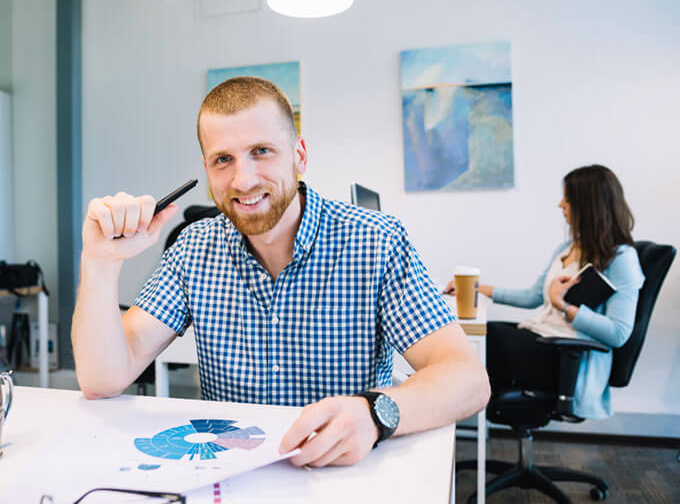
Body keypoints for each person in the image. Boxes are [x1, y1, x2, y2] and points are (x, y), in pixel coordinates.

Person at [72, 76, 490, 468]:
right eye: (223, 160)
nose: (243, 180)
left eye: (261, 151)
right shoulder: (193, 248)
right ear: (206, 168)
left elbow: (467, 378)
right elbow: (102, 379)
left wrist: (374, 414)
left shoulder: (376, 241)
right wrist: (99, 263)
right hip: (233, 477)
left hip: (340, 475)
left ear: (299, 155)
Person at [446, 164, 644, 418]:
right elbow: (532, 297)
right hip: (540, 336)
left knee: (482, 342)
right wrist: (477, 288)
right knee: (476, 336)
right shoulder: (567, 248)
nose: (560, 205)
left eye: (567, 199)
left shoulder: (622, 259)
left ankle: (437, 417)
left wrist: (564, 306)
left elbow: (618, 334)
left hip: (564, 355)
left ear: (588, 205)